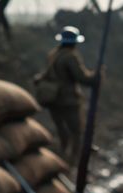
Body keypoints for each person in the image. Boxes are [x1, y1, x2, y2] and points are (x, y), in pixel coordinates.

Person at [39, 26, 97, 164]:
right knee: (76, 131)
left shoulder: (53, 54)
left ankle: (64, 153)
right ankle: (73, 159)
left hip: (53, 98)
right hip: (67, 99)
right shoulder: (70, 57)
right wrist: (96, 76)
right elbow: (81, 78)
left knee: (62, 129)